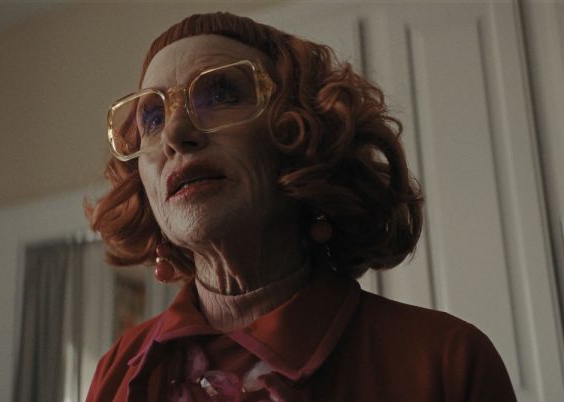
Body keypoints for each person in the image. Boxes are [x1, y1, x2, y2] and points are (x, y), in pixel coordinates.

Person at [85, 12, 516, 402]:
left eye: (220, 94)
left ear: (302, 135)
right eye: (152, 119)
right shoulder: (115, 375)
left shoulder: (445, 362)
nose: (175, 133)